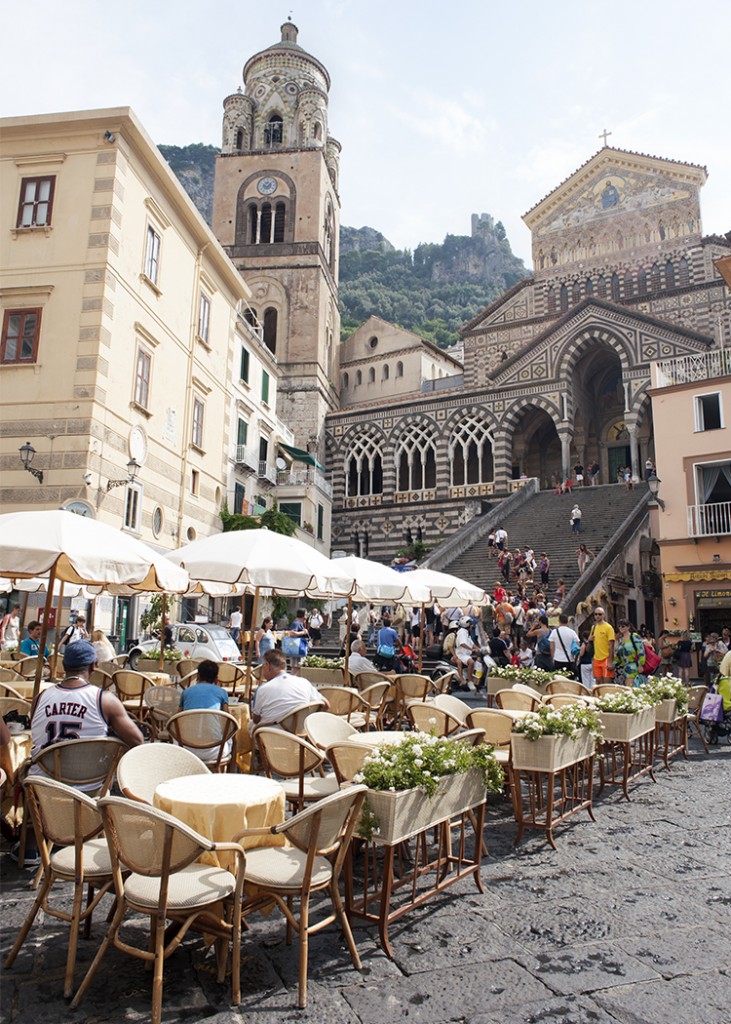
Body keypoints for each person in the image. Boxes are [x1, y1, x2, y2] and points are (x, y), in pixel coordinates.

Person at [30, 640, 143, 765]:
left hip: (42, 780)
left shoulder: (40, 699)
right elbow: (137, 740)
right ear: (94, 665)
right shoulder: (105, 700)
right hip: (91, 782)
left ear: (64, 664)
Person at [250, 649, 328, 731]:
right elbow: (326, 705)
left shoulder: (262, 689)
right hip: (300, 736)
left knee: (250, 725)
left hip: (271, 736)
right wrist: (310, 721)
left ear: (268, 666)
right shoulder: (303, 682)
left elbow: (256, 719)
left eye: (263, 666)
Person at [614, 619, 647, 687]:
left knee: (629, 688)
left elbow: (641, 650)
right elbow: (619, 656)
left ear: (628, 627)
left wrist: (641, 664)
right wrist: (613, 664)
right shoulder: (620, 639)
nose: (621, 628)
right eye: (619, 626)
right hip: (624, 667)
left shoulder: (633, 636)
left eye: (623, 626)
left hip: (633, 666)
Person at [590, 607, 615, 684]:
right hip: (596, 658)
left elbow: (611, 645)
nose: (597, 616)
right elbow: (590, 639)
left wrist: (610, 661)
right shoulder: (593, 627)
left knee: (606, 683)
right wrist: (589, 639)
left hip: (606, 658)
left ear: (604, 615)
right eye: (596, 614)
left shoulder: (608, 627)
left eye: (600, 614)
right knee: (598, 682)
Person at [454, 616, 478, 691]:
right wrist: (472, 649)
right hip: (461, 654)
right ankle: (470, 680)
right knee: (471, 662)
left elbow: (471, 643)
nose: (472, 625)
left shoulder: (467, 632)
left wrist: (478, 648)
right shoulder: (462, 632)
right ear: (466, 624)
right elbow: (462, 643)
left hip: (466, 654)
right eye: (470, 624)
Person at [287, 609, 310, 673]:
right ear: (302, 615)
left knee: (299, 666)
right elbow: (292, 633)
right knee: (296, 666)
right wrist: (303, 632)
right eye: (306, 614)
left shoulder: (300, 623)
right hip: (297, 647)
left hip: (300, 647)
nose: (307, 615)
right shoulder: (296, 623)